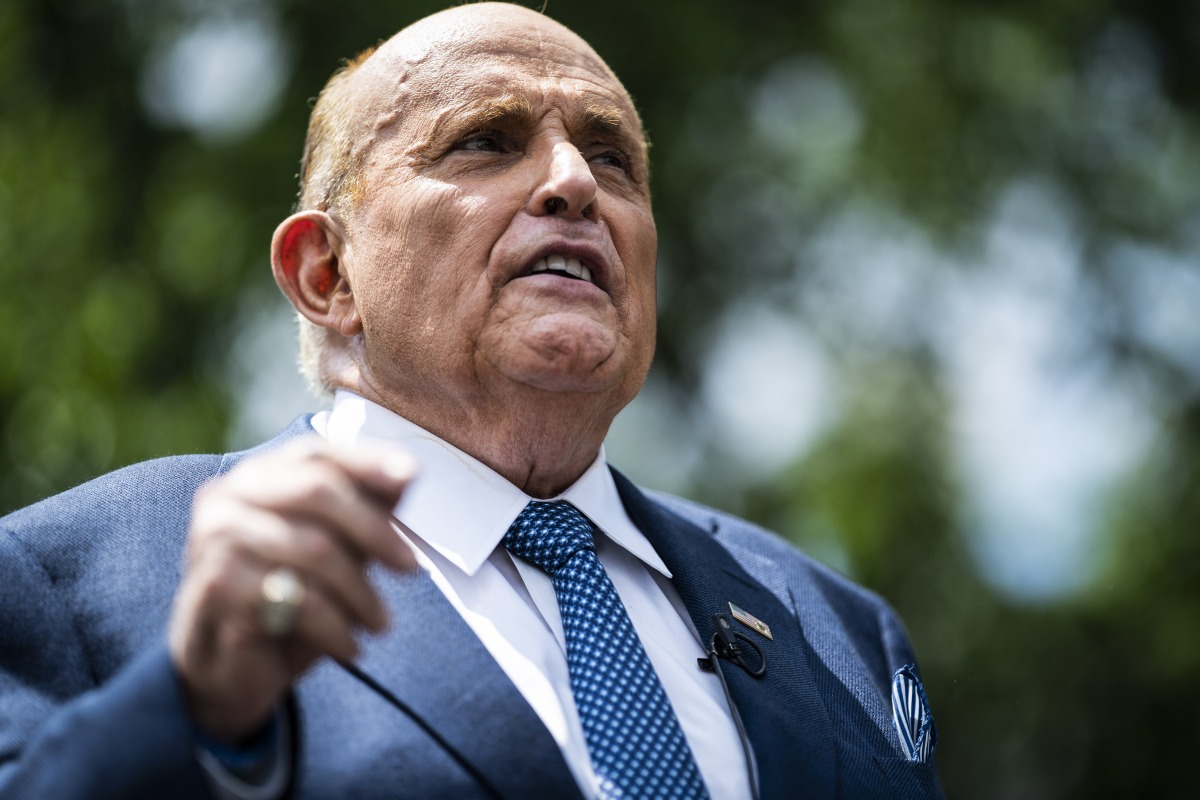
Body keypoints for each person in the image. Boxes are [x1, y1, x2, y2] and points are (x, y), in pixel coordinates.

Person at [0, 4, 942, 799]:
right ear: (328, 274)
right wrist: (187, 707)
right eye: (486, 142)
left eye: (613, 159)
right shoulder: (74, 579)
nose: (574, 183)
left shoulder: (838, 630)